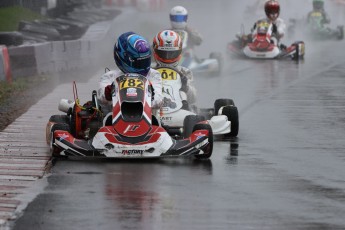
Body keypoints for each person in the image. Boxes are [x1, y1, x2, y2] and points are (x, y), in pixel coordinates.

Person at [98, 32, 163, 122]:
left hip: (149, 123)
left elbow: (158, 101)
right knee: (106, 118)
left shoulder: (153, 75)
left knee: (157, 120)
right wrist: (108, 93)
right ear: (122, 57)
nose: (142, 66)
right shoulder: (109, 77)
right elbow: (101, 98)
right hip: (114, 124)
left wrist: (151, 93)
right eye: (138, 62)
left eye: (144, 61)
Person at [152, 30, 197, 110]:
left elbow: (193, 98)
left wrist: (185, 86)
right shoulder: (149, 72)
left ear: (179, 52)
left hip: (180, 111)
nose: (168, 57)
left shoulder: (184, 72)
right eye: (163, 53)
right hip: (154, 111)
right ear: (156, 52)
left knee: (193, 110)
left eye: (172, 54)